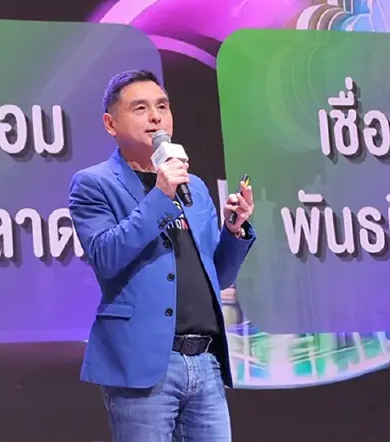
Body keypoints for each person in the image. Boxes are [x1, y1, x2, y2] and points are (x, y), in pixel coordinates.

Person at [67, 69, 256, 442]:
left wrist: (234, 231)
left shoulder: (194, 187)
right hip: (143, 364)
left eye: (162, 107)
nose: (155, 117)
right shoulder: (94, 184)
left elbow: (217, 277)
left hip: (205, 361)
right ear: (110, 123)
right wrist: (161, 195)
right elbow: (105, 255)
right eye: (140, 108)